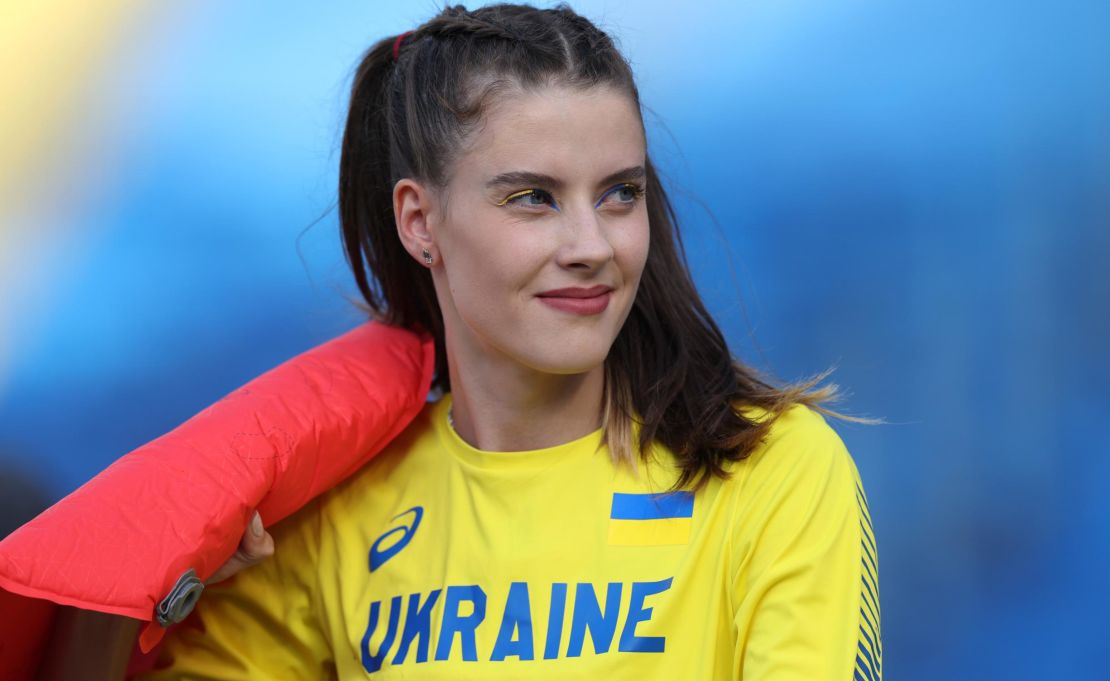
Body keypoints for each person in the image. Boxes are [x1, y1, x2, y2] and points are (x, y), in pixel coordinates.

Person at [138, 3, 882, 679]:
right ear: (419, 221)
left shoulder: (773, 469)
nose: (592, 244)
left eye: (620, 193)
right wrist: (168, 597)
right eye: (533, 198)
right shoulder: (332, 507)